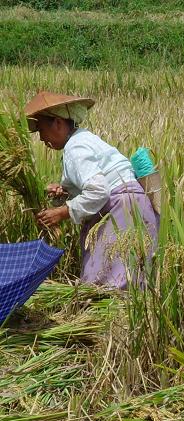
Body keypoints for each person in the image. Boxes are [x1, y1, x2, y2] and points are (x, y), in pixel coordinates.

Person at [24, 91, 159, 290]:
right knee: (129, 279)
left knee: (106, 284)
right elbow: (98, 179)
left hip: (120, 210)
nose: (42, 138)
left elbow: (98, 191)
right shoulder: (84, 138)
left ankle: (103, 320)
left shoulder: (75, 149)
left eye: (42, 130)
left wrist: (63, 212)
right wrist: (66, 191)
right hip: (135, 205)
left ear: (59, 123)